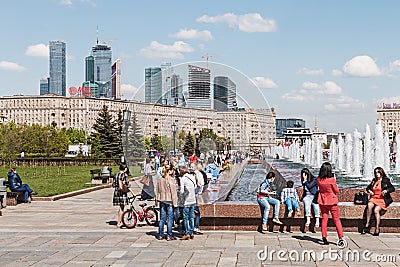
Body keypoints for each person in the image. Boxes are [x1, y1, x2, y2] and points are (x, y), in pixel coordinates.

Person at [316, 162, 344, 245]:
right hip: (332, 201)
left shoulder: (318, 179)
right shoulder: (331, 180)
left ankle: (324, 237)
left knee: (324, 219)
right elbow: (336, 190)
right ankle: (340, 237)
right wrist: (334, 180)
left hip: (322, 201)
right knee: (336, 220)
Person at [362, 167, 395, 236]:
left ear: (381, 172)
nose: (377, 174)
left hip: (382, 199)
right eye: (376, 172)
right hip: (374, 198)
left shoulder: (385, 180)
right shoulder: (374, 180)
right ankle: (367, 224)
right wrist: (370, 191)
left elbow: (392, 188)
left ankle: (377, 228)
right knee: (369, 205)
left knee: (376, 210)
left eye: (378, 172)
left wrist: (386, 190)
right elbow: (368, 188)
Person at [156, 165, 178, 241]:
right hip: (169, 200)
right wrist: (175, 203)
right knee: (170, 218)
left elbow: (157, 190)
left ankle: (161, 234)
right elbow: (174, 192)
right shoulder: (171, 180)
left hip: (162, 200)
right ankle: (169, 235)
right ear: (170, 171)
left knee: (162, 218)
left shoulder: (160, 179)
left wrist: (156, 199)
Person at [179, 167, 197, 240]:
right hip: (193, 199)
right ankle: (192, 232)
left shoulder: (183, 179)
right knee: (191, 217)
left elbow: (182, 191)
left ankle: (187, 233)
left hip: (186, 200)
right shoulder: (192, 177)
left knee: (185, 218)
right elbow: (195, 187)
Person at [112, 164, 130, 228]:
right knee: (122, 208)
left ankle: (120, 221)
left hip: (117, 192)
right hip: (122, 192)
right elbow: (127, 184)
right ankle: (119, 222)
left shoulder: (116, 174)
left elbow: (113, 184)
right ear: (125, 168)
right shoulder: (124, 175)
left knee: (121, 207)